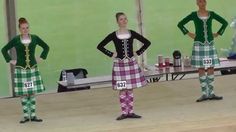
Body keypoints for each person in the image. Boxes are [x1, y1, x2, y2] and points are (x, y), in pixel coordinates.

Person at [97, 12, 151, 120]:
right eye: (121, 19)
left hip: (131, 64)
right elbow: (100, 46)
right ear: (117, 22)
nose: (124, 21)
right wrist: (111, 54)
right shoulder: (113, 35)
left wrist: (138, 52)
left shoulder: (132, 33)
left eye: (125, 19)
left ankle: (130, 112)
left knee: (130, 88)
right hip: (119, 66)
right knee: (122, 88)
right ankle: (124, 112)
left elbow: (147, 42)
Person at [177, 0, 228, 102]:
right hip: (199, 45)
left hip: (209, 44)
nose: (202, 3)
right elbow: (180, 24)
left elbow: (225, 23)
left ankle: (211, 93)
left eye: (203, 1)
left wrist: (218, 33)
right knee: (201, 68)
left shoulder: (211, 14)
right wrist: (188, 33)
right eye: (200, 1)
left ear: (206, 2)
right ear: (197, 3)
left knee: (210, 67)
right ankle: (205, 93)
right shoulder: (193, 15)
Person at [2, 17, 49, 123]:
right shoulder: (16, 40)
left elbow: (46, 47)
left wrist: (41, 57)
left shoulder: (35, 38)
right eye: (23, 28)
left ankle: (33, 115)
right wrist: (10, 60)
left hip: (32, 70)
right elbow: (4, 50)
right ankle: (25, 116)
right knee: (23, 94)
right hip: (21, 70)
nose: (25, 30)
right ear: (19, 29)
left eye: (27, 28)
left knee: (32, 93)